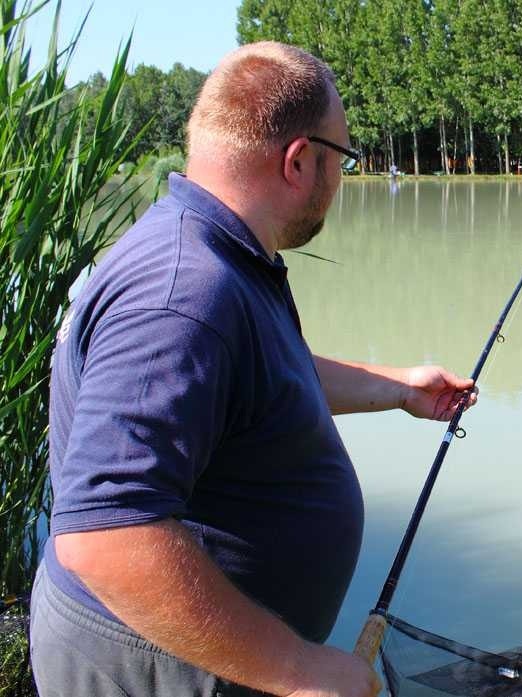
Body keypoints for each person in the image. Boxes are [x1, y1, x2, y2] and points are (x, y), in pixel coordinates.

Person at [30, 42, 477, 697]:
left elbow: (258, 379)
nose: (342, 177)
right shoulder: (183, 292)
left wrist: (401, 388)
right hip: (161, 664)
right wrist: (299, 669)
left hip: (201, 654)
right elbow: (106, 534)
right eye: (343, 158)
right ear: (300, 161)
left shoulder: (218, 255)